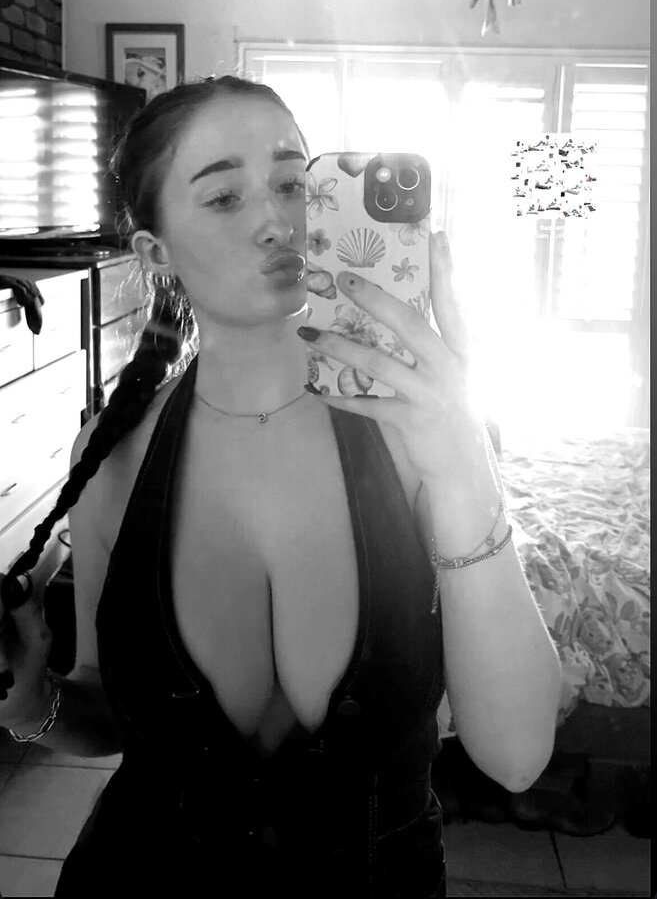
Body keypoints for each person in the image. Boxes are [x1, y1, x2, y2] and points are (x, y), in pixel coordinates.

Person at [0, 75, 563, 898]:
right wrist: (29, 704)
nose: (278, 220)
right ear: (156, 254)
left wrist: (463, 461)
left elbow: (515, 757)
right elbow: (107, 712)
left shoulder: (415, 438)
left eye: (295, 183)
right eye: (224, 196)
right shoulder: (113, 456)